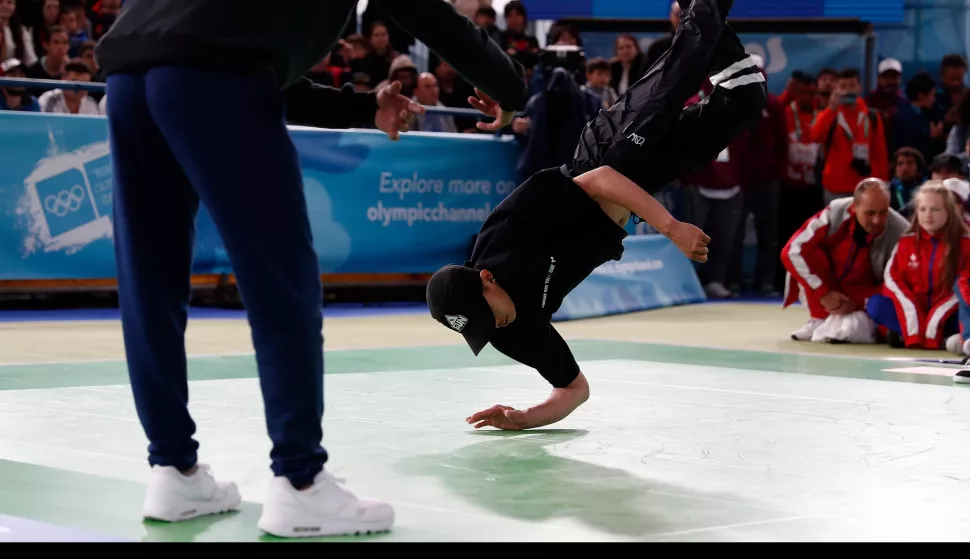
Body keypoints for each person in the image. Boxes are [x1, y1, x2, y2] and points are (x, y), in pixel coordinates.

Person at [93, 0, 529, 539]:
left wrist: (363, 106)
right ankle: (301, 484)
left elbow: (243, 53)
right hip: (214, 71)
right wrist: (511, 88)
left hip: (131, 74)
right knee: (282, 281)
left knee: (149, 282)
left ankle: (172, 470)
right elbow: (427, 13)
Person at [425, 0, 767, 431]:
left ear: (486, 279)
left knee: (690, 56)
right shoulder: (507, 331)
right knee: (745, 94)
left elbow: (601, 178)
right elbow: (574, 390)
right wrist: (523, 418)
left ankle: (700, 11)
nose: (493, 325)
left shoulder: (509, 234)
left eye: (485, 313)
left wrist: (672, 228)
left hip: (612, 150)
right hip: (640, 182)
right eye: (478, 327)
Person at [781, 179, 909, 342]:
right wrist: (823, 292)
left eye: (883, 213)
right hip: (831, 289)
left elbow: (899, 284)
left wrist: (859, 303)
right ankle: (819, 318)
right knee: (806, 253)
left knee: (852, 327)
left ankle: (855, 324)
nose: (877, 220)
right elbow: (791, 251)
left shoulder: (900, 232)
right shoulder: (834, 213)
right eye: (870, 213)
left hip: (868, 294)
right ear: (854, 207)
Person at [865, 181, 970, 350]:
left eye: (935, 209)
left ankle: (927, 336)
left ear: (949, 212)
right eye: (922, 209)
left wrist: (935, 321)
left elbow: (962, 290)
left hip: (947, 315)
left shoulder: (965, 245)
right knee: (875, 305)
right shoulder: (905, 243)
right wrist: (914, 319)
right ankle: (920, 335)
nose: (928, 215)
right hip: (913, 312)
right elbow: (892, 281)